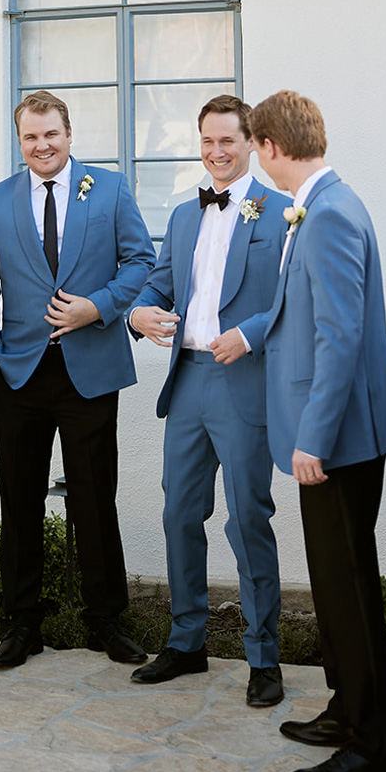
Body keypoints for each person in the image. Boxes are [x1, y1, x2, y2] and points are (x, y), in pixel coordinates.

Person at [227, 90, 386, 772]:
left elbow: (340, 337)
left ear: (271, 146)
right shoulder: (320, 205)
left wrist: (314, 435)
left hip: (337, 439)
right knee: (339, 588)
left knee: (348, 588)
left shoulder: (329, 213)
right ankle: (352, 707)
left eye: (254, 146)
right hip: (334, 434)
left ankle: (374, 748)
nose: (255, 157)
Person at [0, 89, 155, 669]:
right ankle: (23, 622)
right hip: (19, 374)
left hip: (90, 370)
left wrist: (97, 307)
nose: (42, 145)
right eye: (30, 136)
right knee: (19, 497)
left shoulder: (109, 189)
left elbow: (141, 261)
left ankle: (105, 620)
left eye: (51, 134)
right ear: (20, 140)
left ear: (69, 135)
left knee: (95, 496)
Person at [128, 94, 286, 704]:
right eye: (208, 141)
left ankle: (263, 657)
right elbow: (158, 283)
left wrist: (250, 334)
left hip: (244, 382)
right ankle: (186, 642)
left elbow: (294, 296)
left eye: (228, 141)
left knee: (247, 519)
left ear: (251, 144)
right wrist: (139, 311)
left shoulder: (281, 211)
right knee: (179, 514)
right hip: (188, 380)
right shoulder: (182, 214)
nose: (217, 152)